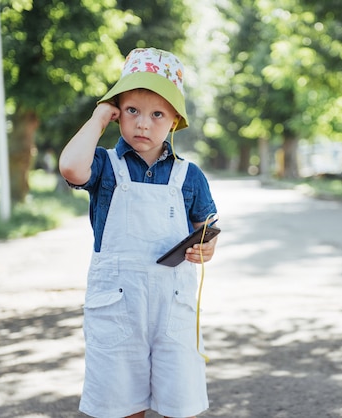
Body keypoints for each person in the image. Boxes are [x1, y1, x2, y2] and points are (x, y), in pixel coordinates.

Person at [59, 47, 218, 418]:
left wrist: (206, 249)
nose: (143, 124)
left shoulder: (189, 176)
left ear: (175, 120)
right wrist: (99, 117)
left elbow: (206, 230)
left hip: (171, 305)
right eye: (132, 110)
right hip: (117, 305)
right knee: (121, 403)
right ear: (117, 113)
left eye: (157, 114)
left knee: (180, 401)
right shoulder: (104, 165)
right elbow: (69, 168)